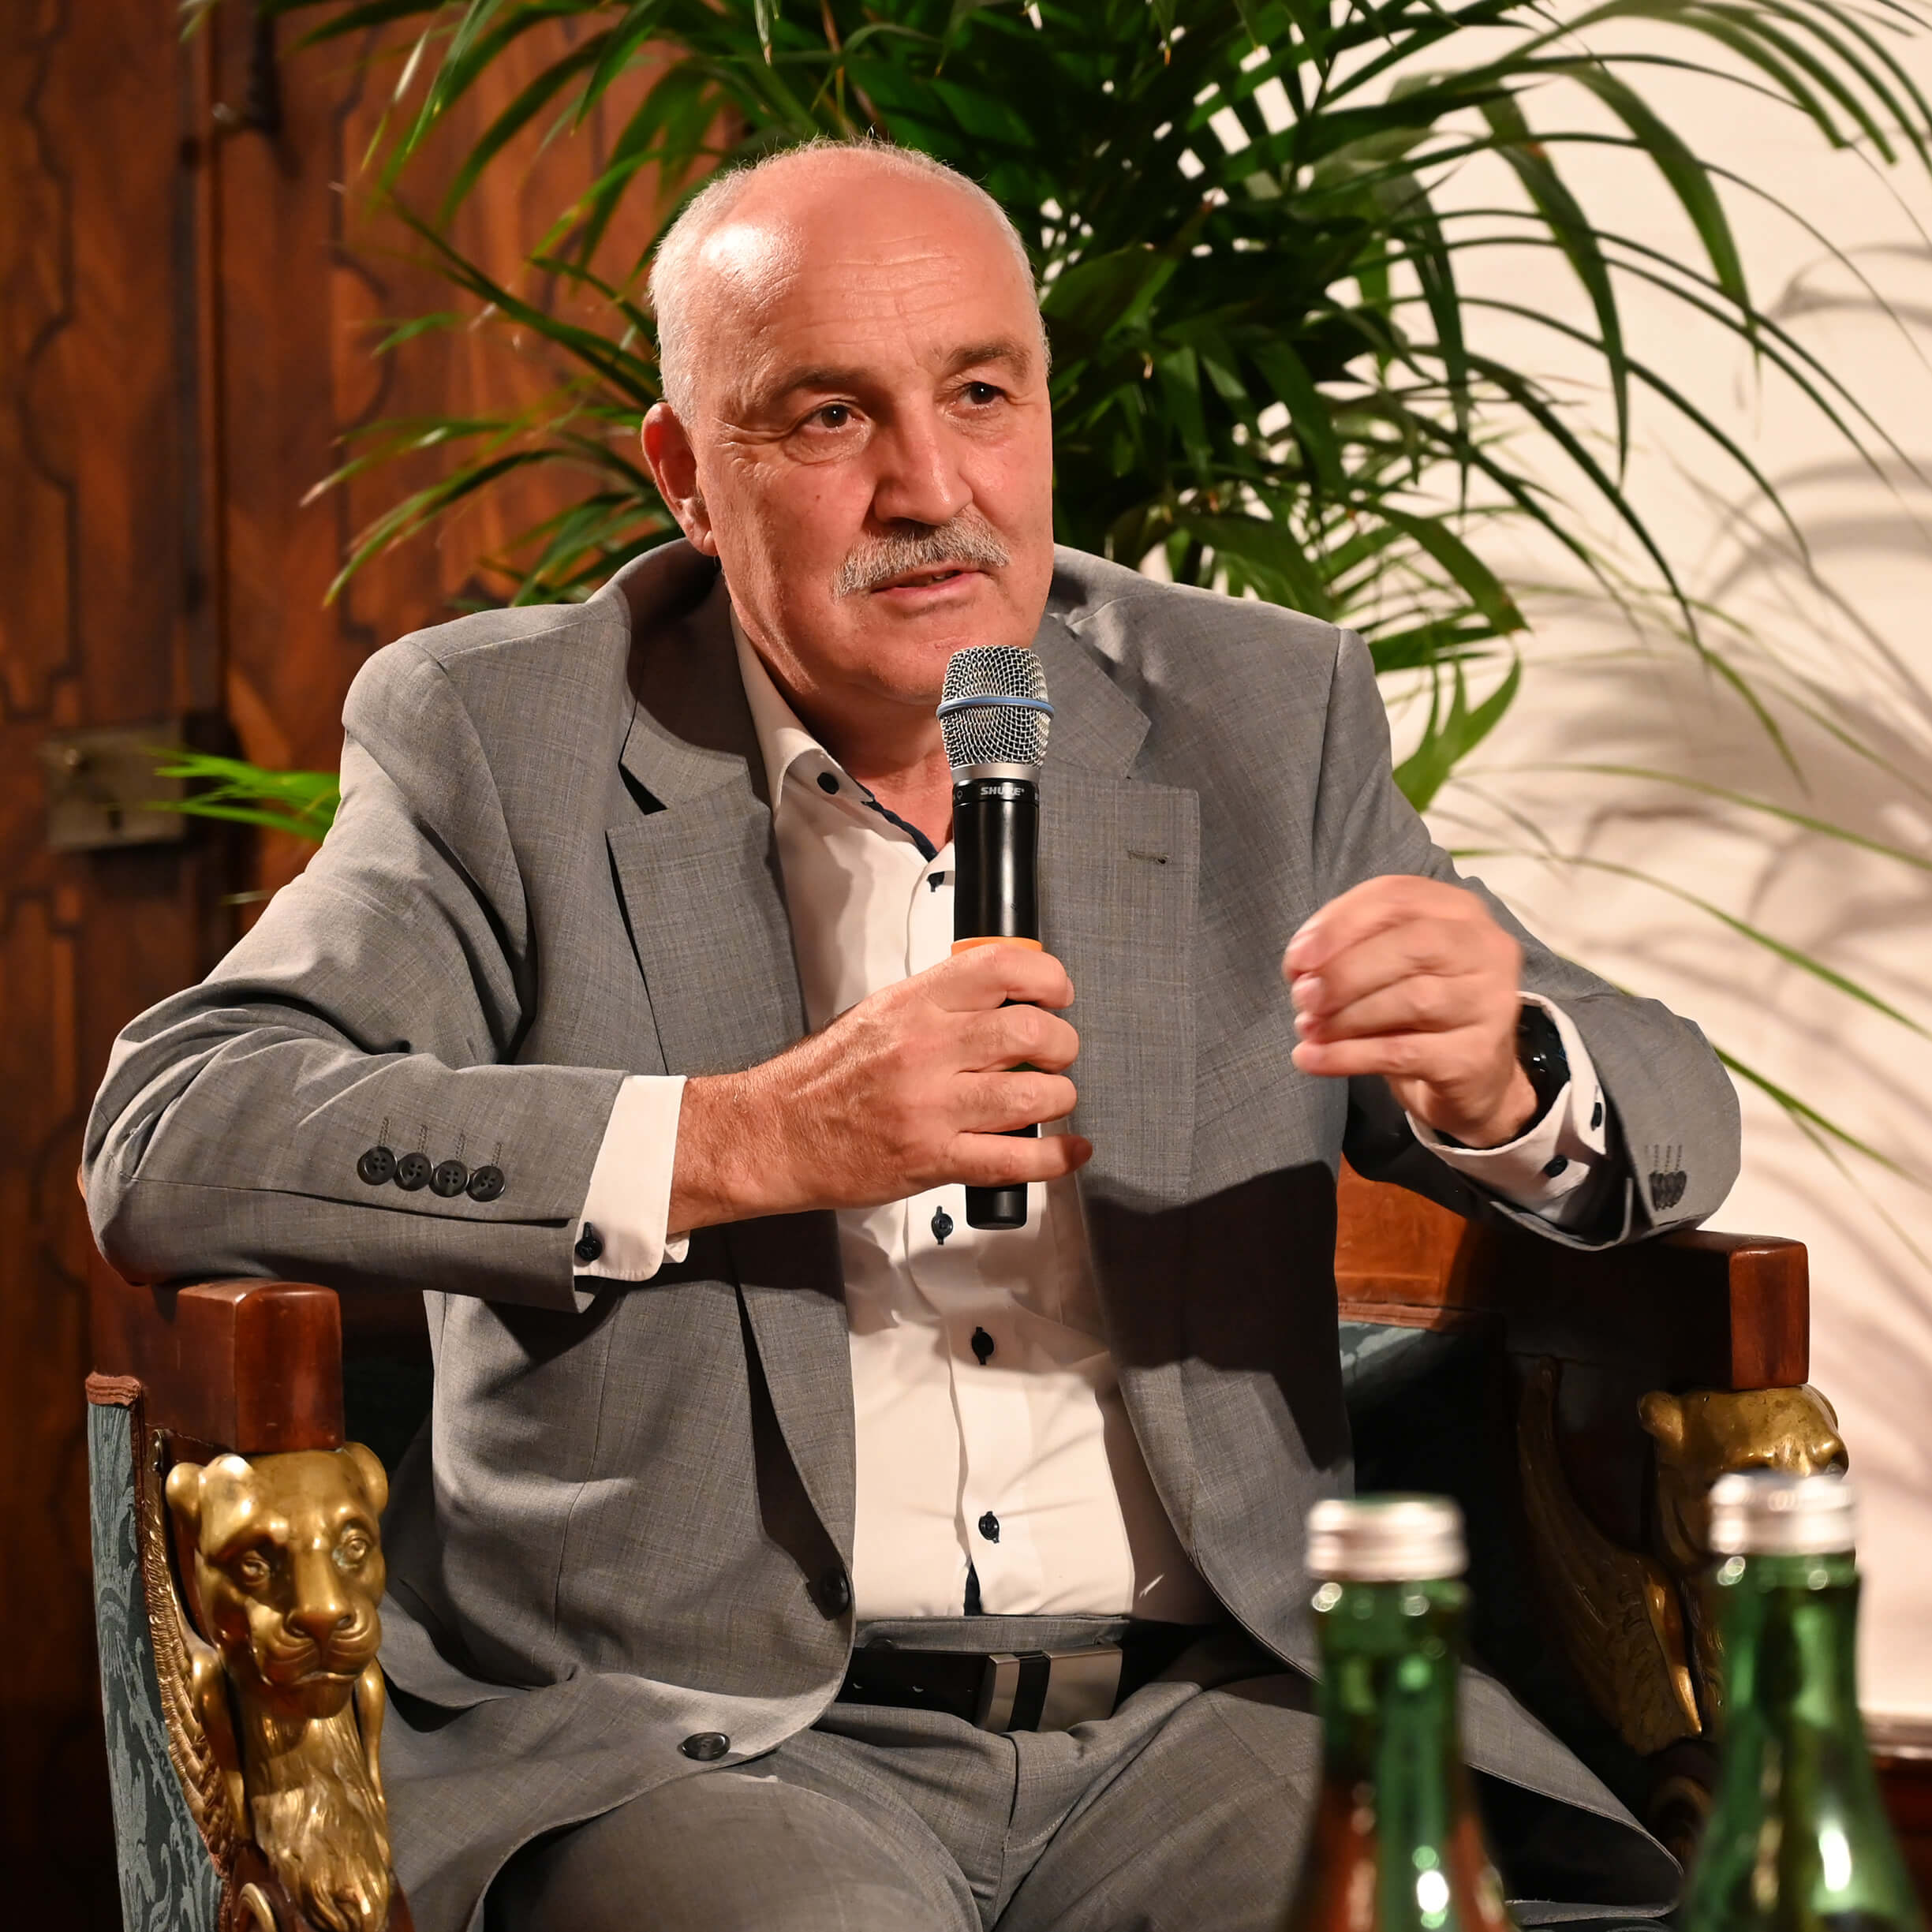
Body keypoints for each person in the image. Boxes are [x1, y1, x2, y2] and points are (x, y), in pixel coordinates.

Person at [84, 140, 1736, 1932]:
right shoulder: (504, 739)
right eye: (828, 416)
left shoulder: (1256, 712)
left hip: (1213, 1717)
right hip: (696, 1741)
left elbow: (1676, 1113)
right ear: (686, 476)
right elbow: (176, 1131)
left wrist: (1502, 1071)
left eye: (979, 395)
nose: (929, 487)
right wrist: (743, 1137)